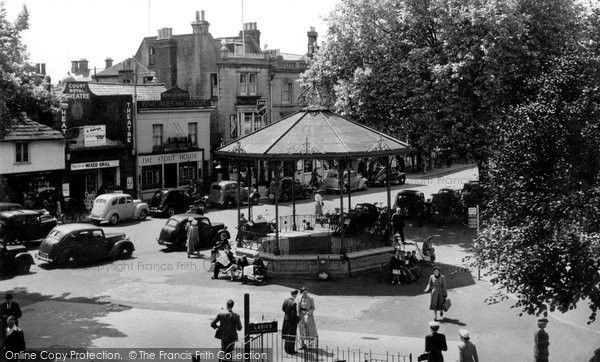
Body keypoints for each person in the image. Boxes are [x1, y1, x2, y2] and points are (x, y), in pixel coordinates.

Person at [282, 290, 300, 355]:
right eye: (296, 295)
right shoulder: (294, 303)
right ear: (294, 294)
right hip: (292, 322)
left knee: (287, 335)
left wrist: (287, 314)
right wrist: (298, 319)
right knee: (292, 336)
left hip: (286, 320)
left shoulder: (286, 300)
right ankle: (291, 350)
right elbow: (294, 315)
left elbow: (283, 309)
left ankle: (286, 349)